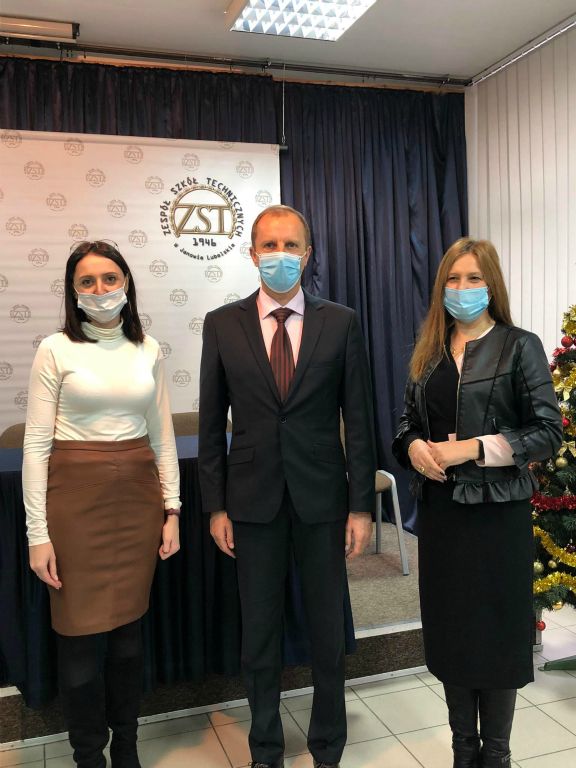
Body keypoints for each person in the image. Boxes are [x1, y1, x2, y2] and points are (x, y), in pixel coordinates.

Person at [198, 205, 376, 768]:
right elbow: (210, 425)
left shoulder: (341, 322)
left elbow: (360, 420)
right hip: (251, 502)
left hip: (323, 498)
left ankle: (328, 746)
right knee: (260, 632)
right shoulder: (221, 324)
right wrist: (215, 507)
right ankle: (265, 748)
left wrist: (361, 508)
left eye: (291, 245)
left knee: (327, 629)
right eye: (269, 245)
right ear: (252, 254)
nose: (280, 255)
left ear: (308, 253)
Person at [392, 238, 562, 768]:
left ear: (491, 285)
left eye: (473, 278)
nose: (461, 289)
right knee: (453, 634)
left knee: (495, 635)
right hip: (442, 516)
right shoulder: (429, 351)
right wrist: (413, 447)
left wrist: (473, 448)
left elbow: (548, 432)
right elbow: (405, 423)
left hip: (497, 516)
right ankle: (463, 749)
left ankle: (497, 754)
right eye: (452, 279)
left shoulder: (519, 346)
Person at [23, 240, 181, 768]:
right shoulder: (55, 349)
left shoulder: (148, 349)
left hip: (137, 500)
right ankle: (88, 756)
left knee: (129, 638)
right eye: (87, 281)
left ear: (127, 283)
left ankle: (127, 748)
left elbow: (161, 434)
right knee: (77, 641)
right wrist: (38, 534)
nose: (100, 290)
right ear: (73, 291)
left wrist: (173, 510)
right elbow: (36, 446)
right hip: (73, 504)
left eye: (110, 279)